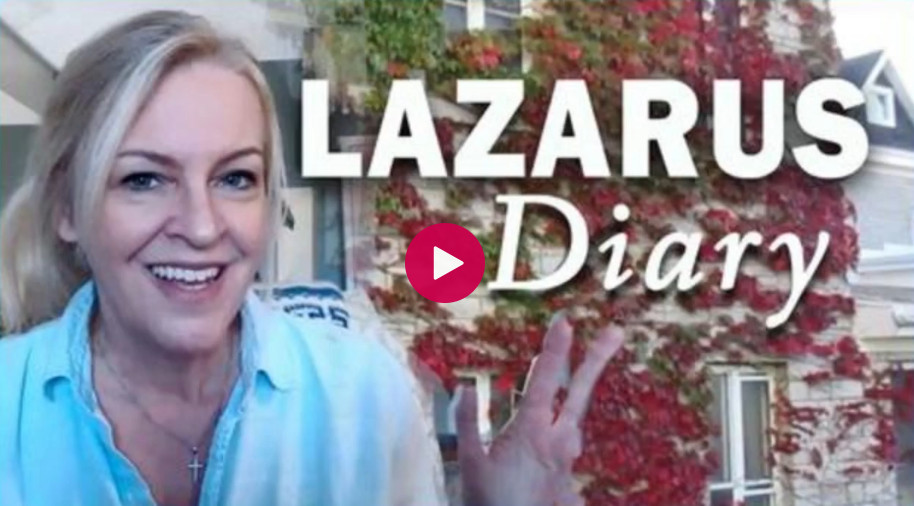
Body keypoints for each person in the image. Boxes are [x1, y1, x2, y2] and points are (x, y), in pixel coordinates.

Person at [0, 10, 624, 506]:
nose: (201, 225)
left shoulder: (363, 397)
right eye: (144, 179)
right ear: (67, 209)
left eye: (235, 178)